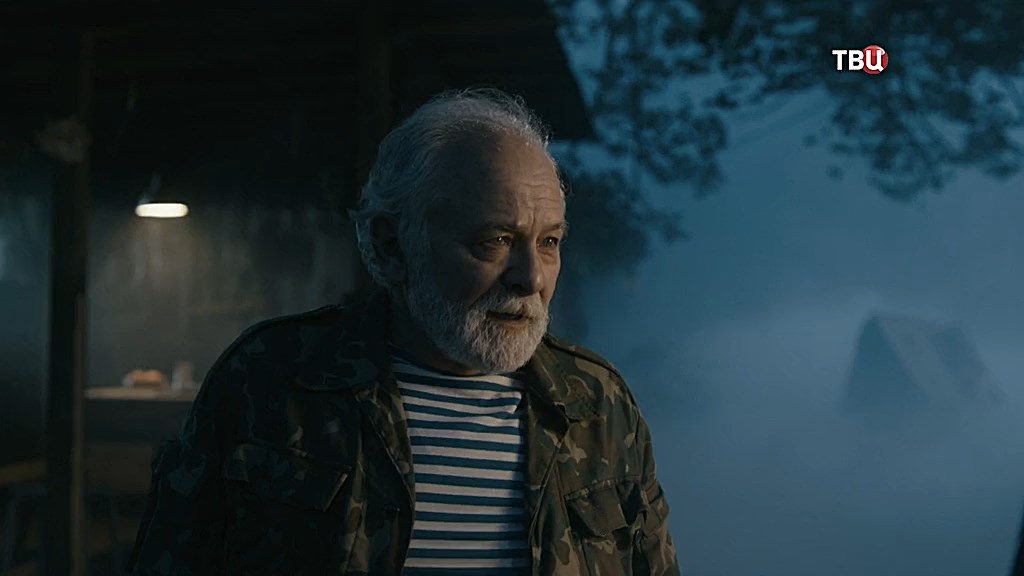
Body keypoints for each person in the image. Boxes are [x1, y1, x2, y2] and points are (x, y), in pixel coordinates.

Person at [128, 88, 680, 575]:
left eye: (549, 242)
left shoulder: (597, 405)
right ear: (391, 245)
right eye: (494, 240)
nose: (531, 278)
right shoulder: (270, 379)